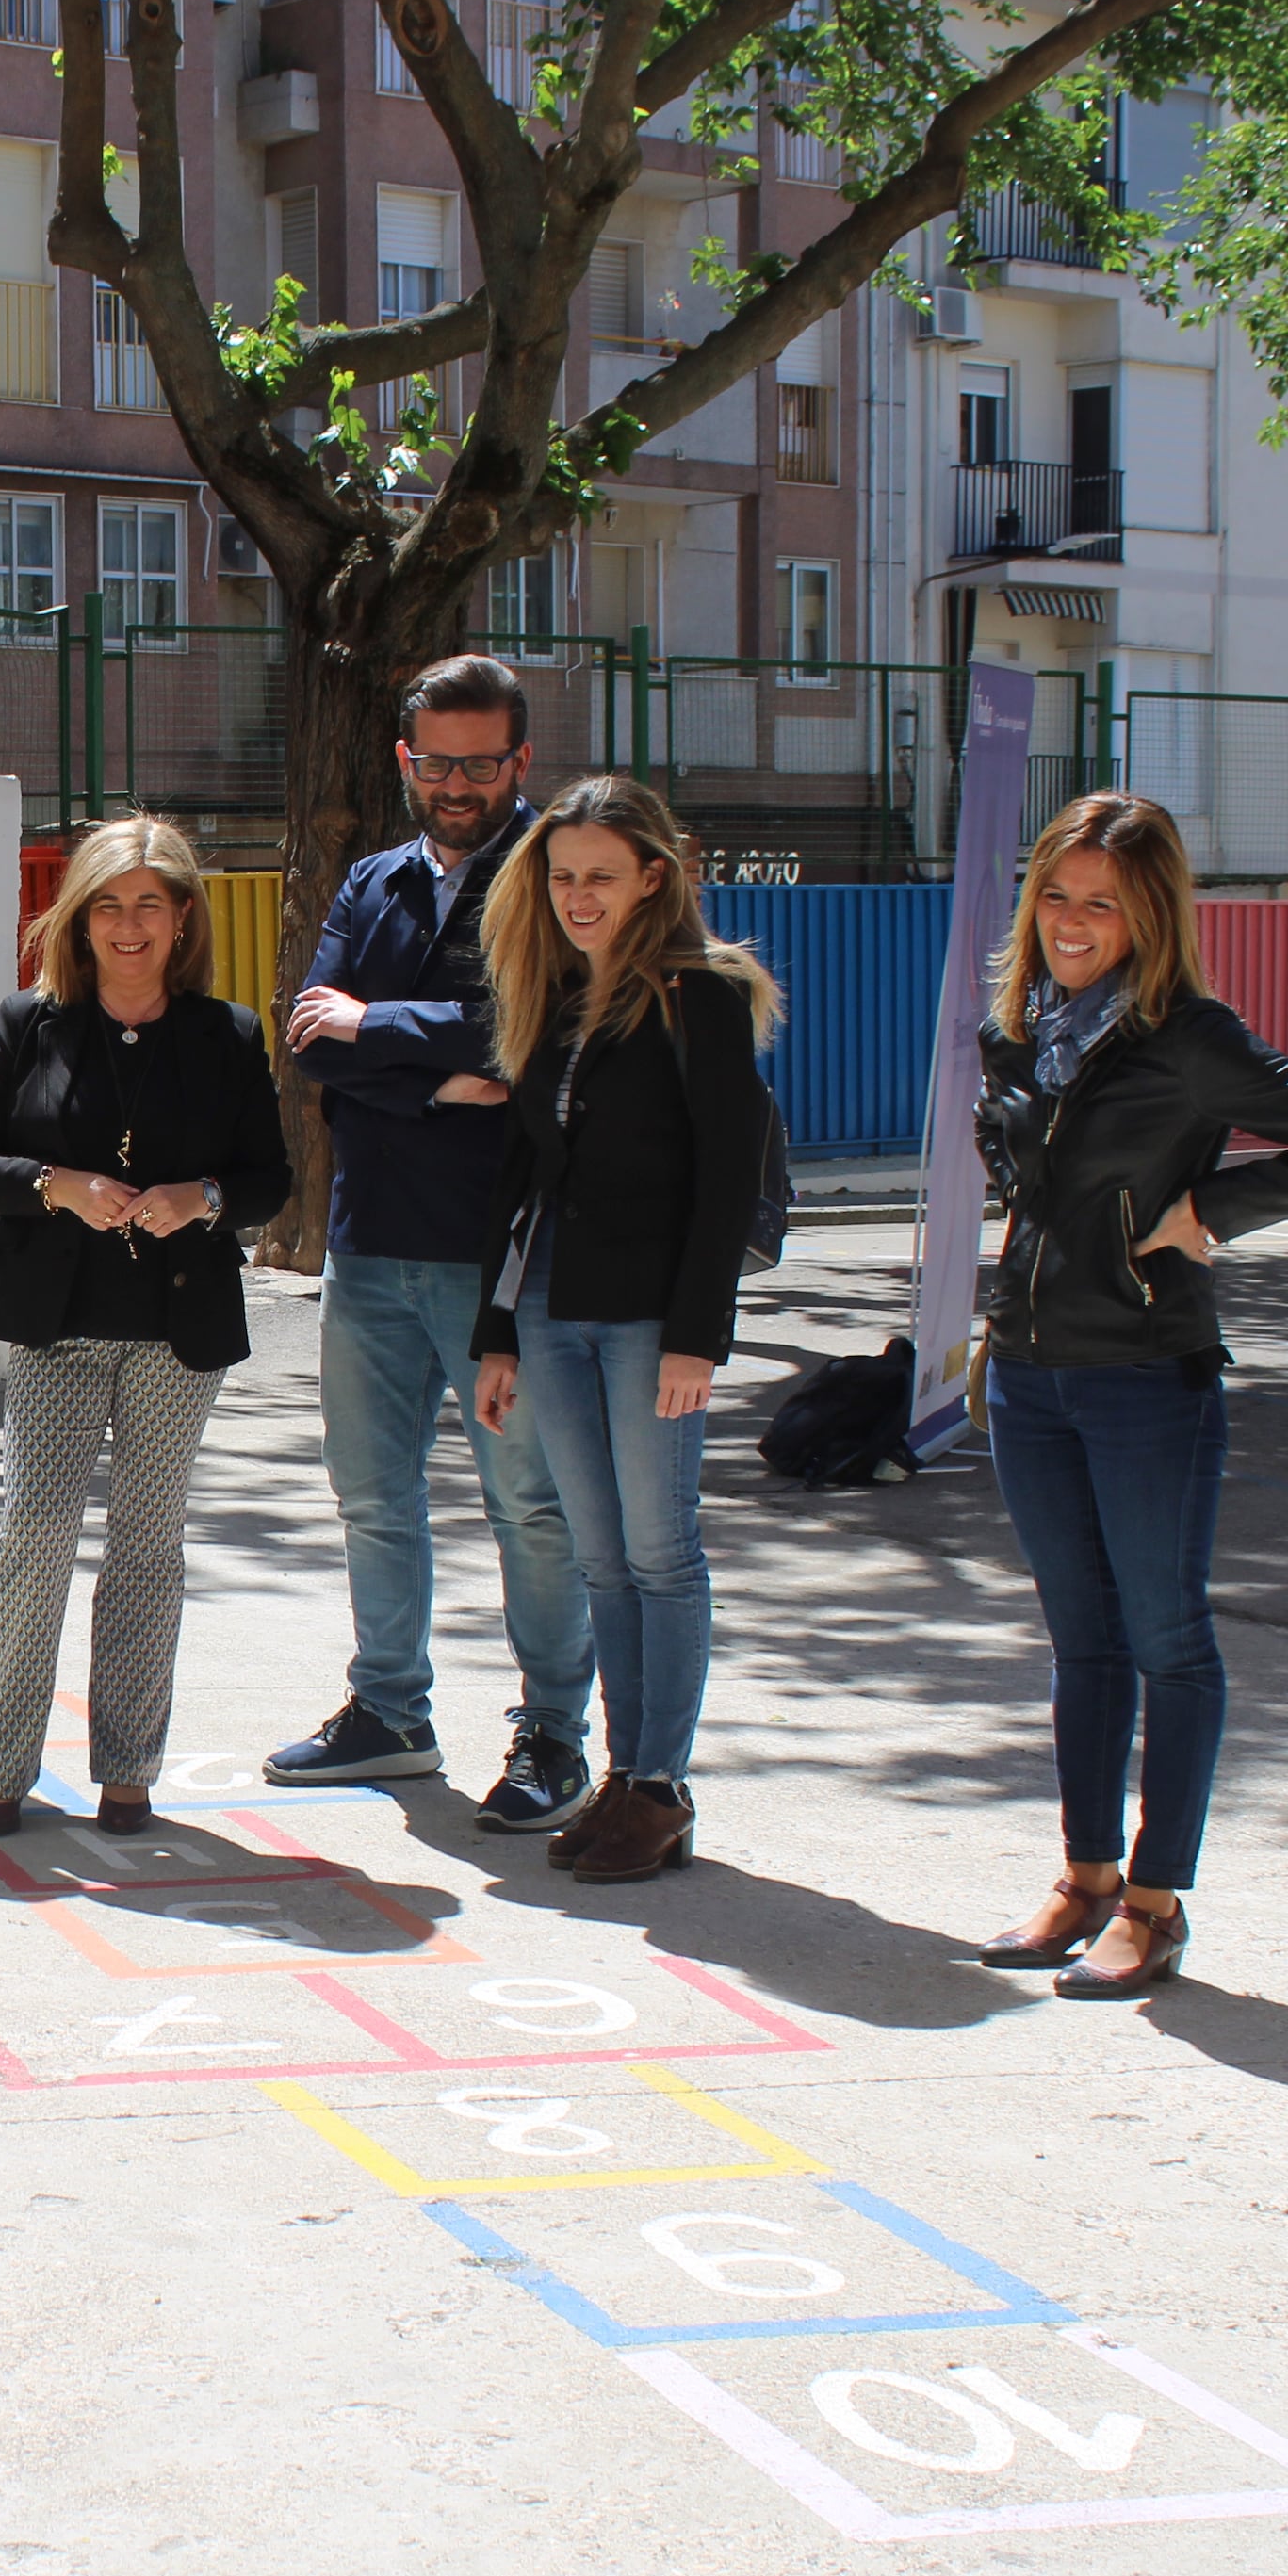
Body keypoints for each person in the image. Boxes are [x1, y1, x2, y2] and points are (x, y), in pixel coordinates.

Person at [967, 793, 1288, 1997]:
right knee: (1078, 1642)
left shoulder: (1187, 1036)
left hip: (1147, 1377)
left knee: (1164, 1640)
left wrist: (1206, 1215)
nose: (1070, 920)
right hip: (1031, 1373)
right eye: (1055, 892)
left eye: (1100, 902)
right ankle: (1082, 1877)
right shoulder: (1014, 1031)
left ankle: (1152, 1905)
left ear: (1147, 914)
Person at [266, 655, 598, 1836]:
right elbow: (308, 1039)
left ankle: (554, 1732)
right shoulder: (373, 879)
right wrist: (436, 1074)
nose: (457, 783)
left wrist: (383, 1039)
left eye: (481, 761)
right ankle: (390, 1713)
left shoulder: (548, 877)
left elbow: (538, 1037)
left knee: (530, 1504)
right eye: (436, 761)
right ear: (404, 761)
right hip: (369, 1247)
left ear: (519, 761)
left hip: (497, 1257)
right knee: (370, 1494)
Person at [0, 813, 291, 1837]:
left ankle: (127, 1768)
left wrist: (206, 1197)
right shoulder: (29, 1022)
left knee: (146, 1543)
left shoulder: (225, 1034)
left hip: (175, 1333)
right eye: (107, 906)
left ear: (182, 917)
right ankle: (2, 1766)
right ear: (79, 919)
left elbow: (270, 1176)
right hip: (55, 1325)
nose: (128, 926)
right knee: (36, 1531)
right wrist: (53, 1183)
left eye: (148, 904)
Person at [462, 776, 781, 1885]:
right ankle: (621, 1777)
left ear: (655, 874)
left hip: (652, 1315)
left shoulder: (701, 996)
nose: (576, 897)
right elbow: (520, 1176)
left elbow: (726, 1176)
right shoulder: (545, 994)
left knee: (660, 1553)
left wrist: (698, 1333)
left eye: (599, 875)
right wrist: (496, 1330)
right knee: (599, 1559)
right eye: (560, 877)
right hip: (549, 1303)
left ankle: (658, 1783)